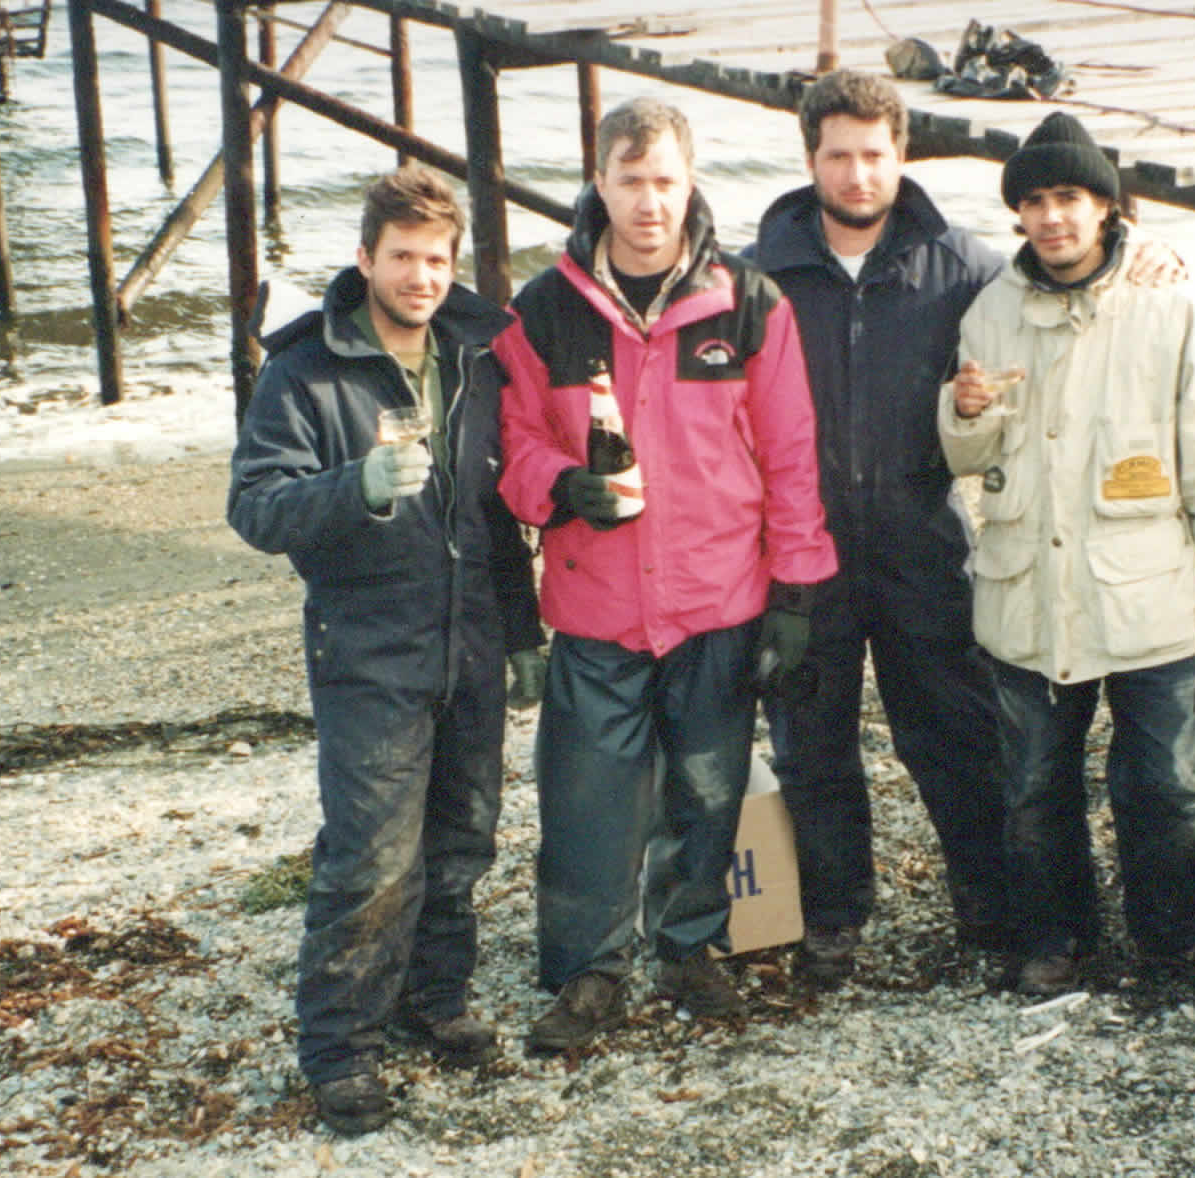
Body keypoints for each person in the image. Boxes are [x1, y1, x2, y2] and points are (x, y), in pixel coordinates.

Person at [746, 71, 1185, 984]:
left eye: (876, 154)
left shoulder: (965, 264)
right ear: (810, 160)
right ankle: (833, 915)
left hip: (924, 540)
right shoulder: (760, 272)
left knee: (955, 735)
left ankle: (990, 904)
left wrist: (1142, 244)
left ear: (902, 155)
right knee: (812, 745)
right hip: (802, 550)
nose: (859, 173)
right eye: (840, 155)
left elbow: (1062, 278)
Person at [494, 98, 837, 1051]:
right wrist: (561, 486)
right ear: (597, 181)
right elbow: (510, 445)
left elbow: (790, 457)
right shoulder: (542, 309)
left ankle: (688, 943)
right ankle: (588, 971)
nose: (650, 203)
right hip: (598, 607)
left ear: (691, 185)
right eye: (631, 180)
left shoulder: (749, 303)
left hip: (718, 600)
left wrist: (797, 595)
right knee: (588, 800)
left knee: (706, 790)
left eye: (666, 182)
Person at [227, 167, 545, 1134]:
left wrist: (523, 631)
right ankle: (339, 1049)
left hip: (474, 634)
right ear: (365, 258)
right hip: (367, 645)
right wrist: (356, 483)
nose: (420, 275)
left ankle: (434, 999)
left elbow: (496, 511)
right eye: (400, 256)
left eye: (436, 259)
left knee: (463, 838)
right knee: (368, 856)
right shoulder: (304, 371)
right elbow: (256, 507)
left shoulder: (480, 356)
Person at [939, 111, 1195, 997]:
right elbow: (967, 463)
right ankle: (1059, 939)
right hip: (1027, 602)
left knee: (1165, 784)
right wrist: (965, 413)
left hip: (1149, 597)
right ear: (1018, 215)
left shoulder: (1171, 303)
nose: (1053, 217)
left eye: (1070, 198)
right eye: (1035, 201)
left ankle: (1175, 934)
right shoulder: (989, 312)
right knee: (1036, 791)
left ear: (1107, 206)